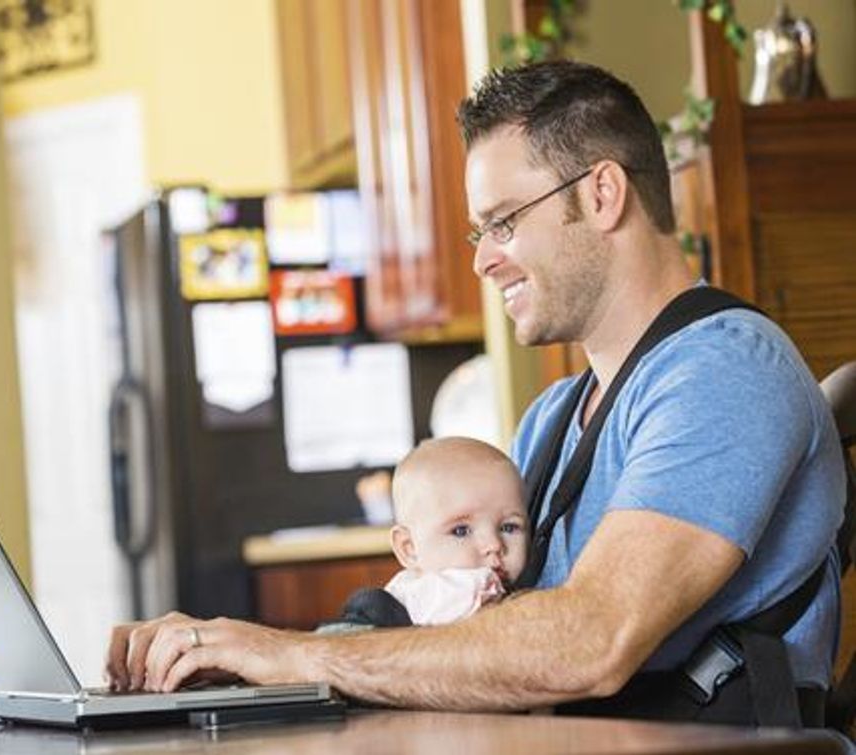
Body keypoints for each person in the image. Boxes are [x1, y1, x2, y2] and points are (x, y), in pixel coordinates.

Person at [104, 61, 845, 725]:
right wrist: (257, 669)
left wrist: (290, 653)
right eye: (478, 232)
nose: (485, 259)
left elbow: (592, 640)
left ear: (603, 193)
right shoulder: (556, 416)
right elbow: (475, 632)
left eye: (503, 222)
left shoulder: (725, 371)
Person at [328, 436, 528, 630]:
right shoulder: (428, 598)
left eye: (509, 527)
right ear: (410, 548)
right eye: (461, 531)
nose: (494, 544)